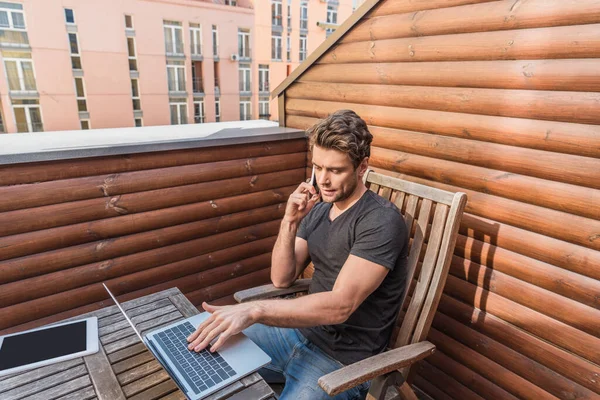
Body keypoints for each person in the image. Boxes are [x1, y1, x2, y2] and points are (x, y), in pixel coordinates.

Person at [187, 110, 409, 399]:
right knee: (198, 351)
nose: (324, 180)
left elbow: (340, 305)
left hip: (340, 360)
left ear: (362, 167)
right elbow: (281, 278)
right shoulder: (318, 210)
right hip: (296, 334)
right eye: (318, 167)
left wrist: (256, 310)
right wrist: (290, 221)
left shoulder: (380, 221)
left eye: (336, 170)